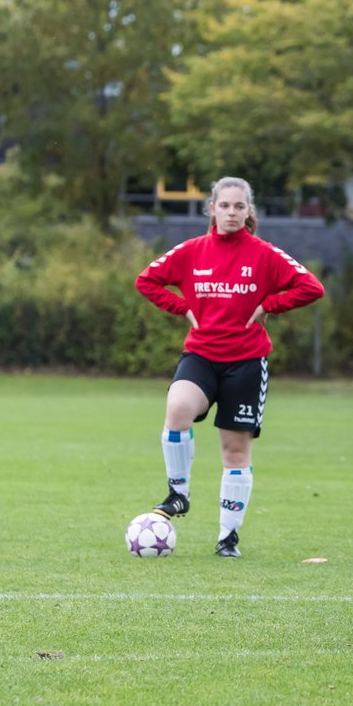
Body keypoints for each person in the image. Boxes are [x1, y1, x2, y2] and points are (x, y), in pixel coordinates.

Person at [135, 176, 325, 557]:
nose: (232, 213)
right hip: (201, 355)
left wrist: (269, 305)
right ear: (212, 209)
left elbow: (311, 287)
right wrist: (183, 308)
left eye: (240, 207)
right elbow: (147, 281)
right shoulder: (191, 251)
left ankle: (228, 538)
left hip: (246, 363)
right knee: (177, 409)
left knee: (235, 453)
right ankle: (179, 494)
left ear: (248, 211)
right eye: (225, 206)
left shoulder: (264, 254)